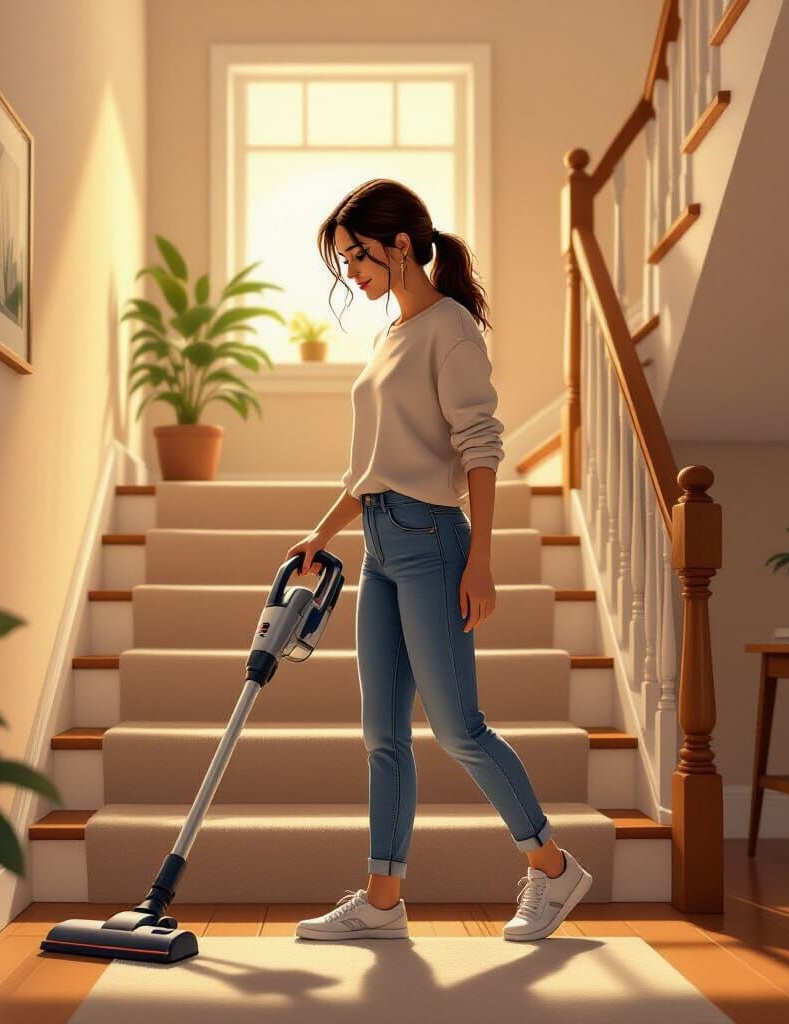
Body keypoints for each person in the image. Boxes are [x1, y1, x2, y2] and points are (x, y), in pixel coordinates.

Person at [285, 179, 592, 942]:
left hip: (432, 543)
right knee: (382, 733)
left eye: (356, 255)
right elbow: (372, 468)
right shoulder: (393, 336)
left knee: (458, 728)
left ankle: (553, 869)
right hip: (382, 545)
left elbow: (480, 448)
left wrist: (480, 559)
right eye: (343, 258)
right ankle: (382, 903)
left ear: (398, 246)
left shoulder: (451, 329)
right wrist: (321, 533)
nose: (350, 272)